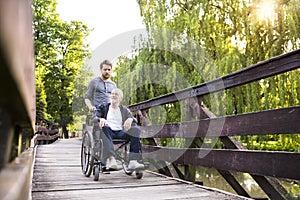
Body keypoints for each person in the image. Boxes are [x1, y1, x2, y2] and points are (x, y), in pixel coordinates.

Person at [95, 88, 144, 170]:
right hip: (107, 132)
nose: (113, 95)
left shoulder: (124, 109)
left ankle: (133, 161)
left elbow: (134, 119)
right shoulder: (103, 107)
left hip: (120, 132)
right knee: (105, 127)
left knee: (136, 130)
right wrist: (101, 119)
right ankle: (111, 159)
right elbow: (95, 117)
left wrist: (130, 119)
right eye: (112, 94)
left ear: (120, 98)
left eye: (116, 94)